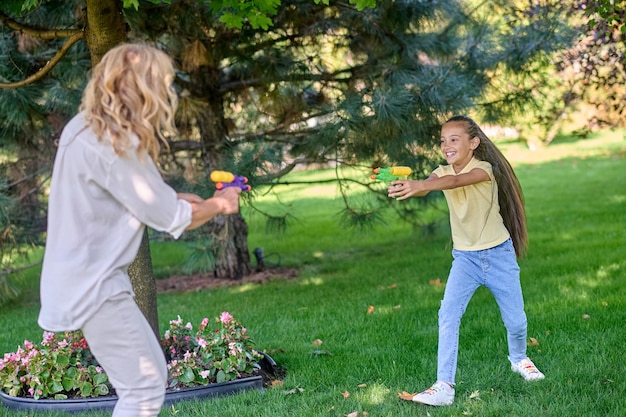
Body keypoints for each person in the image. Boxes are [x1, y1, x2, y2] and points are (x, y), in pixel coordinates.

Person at [37, 43, 241, 417]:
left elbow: (118, 196)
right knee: (144, 388)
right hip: (93, 285)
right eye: (161, 82)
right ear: (143, 87)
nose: (166, 92)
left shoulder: (83, 127)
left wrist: (170, 197)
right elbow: (170, 217)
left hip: (82, 277)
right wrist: (219, 204)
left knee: (147, 377)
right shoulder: (117, 142)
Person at [388, 115, 544, 407]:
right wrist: (411, 186)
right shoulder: (439, 171)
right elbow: (439, 178)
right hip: (465, 260)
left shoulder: (484, 169)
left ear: (473, 143)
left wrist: (422, 185)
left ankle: (519, 359)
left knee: (516, 320)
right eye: (443, 140)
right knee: (447, 315)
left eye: (454, 139)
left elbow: (456, 181)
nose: (446, 145)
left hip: (498, 255)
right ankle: (444, 386)